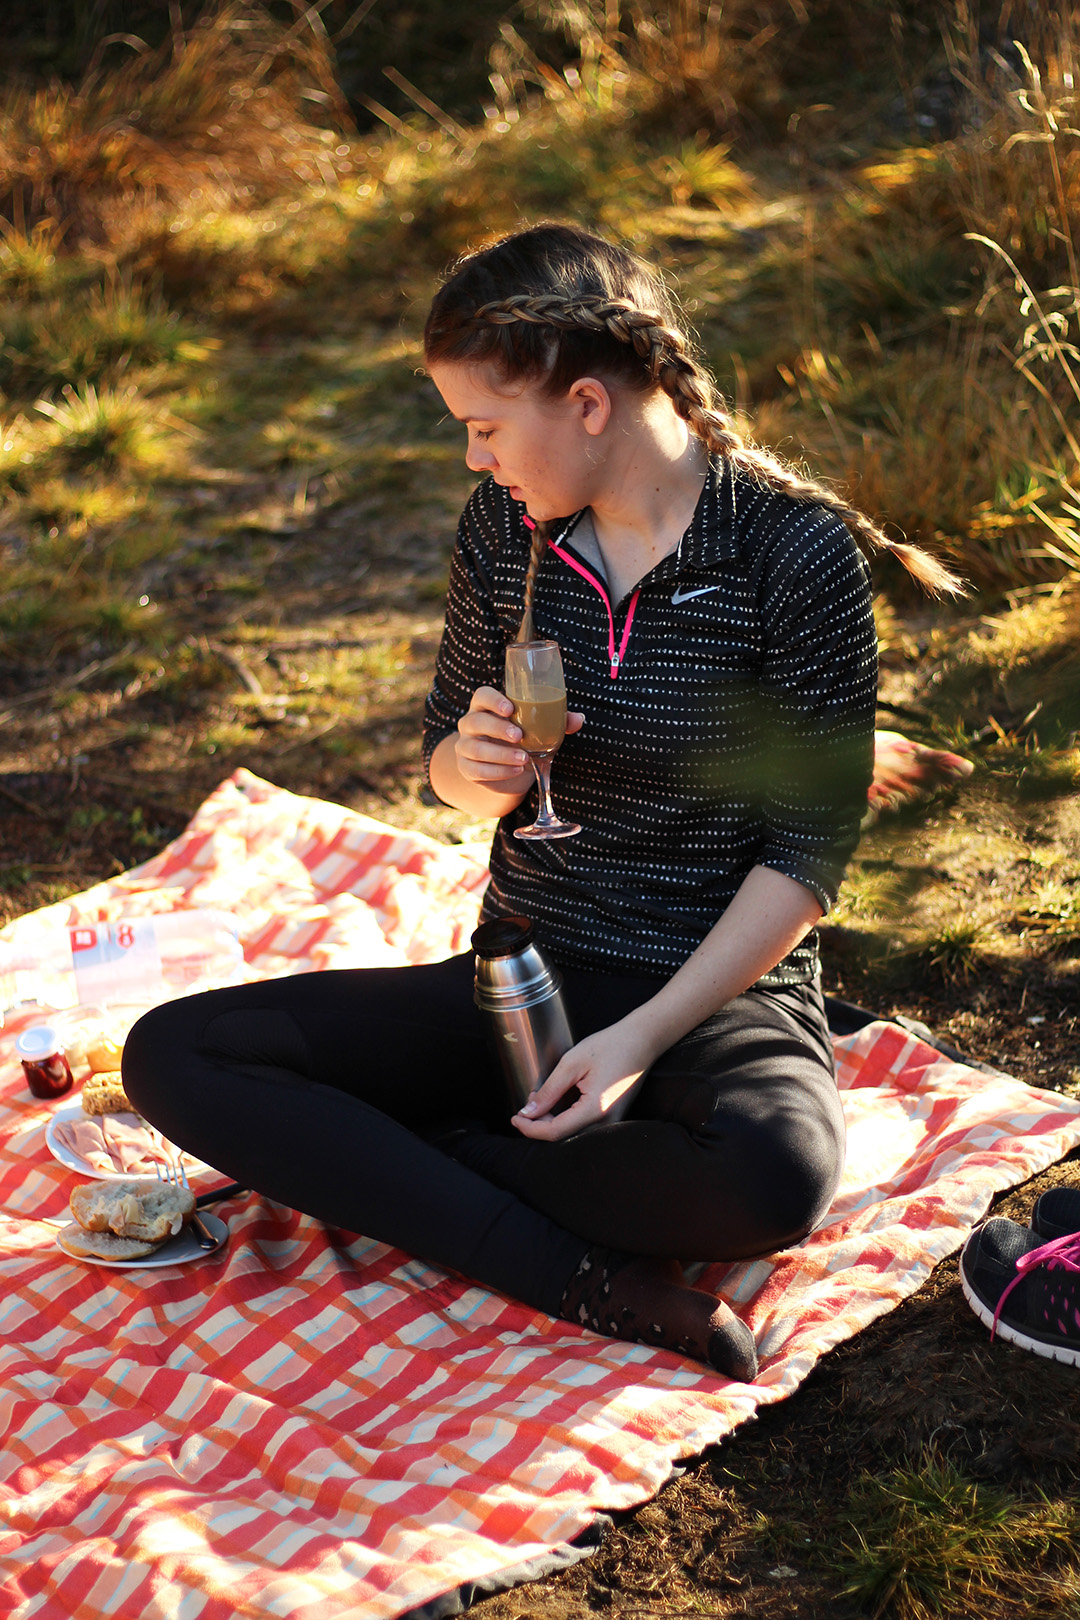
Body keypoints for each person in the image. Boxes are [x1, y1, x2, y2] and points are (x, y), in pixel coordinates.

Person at [123, 223, 962, 1381]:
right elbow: (447, 768)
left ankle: (411, 1158)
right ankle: (581, 1277)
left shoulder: (792, 553)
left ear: (587, 404)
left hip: (715, 993)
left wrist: (636, 1042)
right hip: (523, 975)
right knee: (176, 1054)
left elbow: (807, 860)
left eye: (484, 427)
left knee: (774, 1180)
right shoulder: (508, 532)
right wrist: (477, 764)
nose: (475, 460)